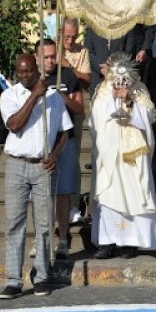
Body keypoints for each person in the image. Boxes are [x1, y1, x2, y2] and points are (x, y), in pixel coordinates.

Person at [0, 54, 72, 299]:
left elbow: (64, 132)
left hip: (43, 166)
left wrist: (55, 154)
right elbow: (15, 125)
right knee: (14, 224)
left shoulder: (54, 97)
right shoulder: (9, 96)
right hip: (17, 165)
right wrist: (34, 96)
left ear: (36, 70)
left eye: (28, 71)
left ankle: (41, 276)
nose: (24, 76)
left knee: (43, 225)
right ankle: (13, 280)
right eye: (20, 72)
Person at [89, 52, 156, 259]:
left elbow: (148, 116)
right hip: (109, 150)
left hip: (132, 155)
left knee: (134, 192)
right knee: (109, 194)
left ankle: (131, 242)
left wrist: (129, 101)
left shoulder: (139, 89)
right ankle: (108, 241)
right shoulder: (102, 90)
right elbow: (95, 118)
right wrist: (111, 100)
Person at [35, 39, 83, 258]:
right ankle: (41, 238)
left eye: (53, 56)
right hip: (40, 142)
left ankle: (63, 238)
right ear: (37, 57)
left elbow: (80, 108)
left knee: (63, 192)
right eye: (46, 57)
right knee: (40, 193)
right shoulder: (32, 78)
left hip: (65, 140)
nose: (50, 60)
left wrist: (61, 96)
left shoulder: (68, 76)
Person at [61, 17, 91, 215]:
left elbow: (87, 79)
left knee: (73, 157)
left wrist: (69, 68)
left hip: (75, 107)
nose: (70, 41)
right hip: (56, 108)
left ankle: (73, 203)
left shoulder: (83, 52)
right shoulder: (52, 50)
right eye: (66, 38)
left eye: (74, 37)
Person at [84, 26, 130, 98]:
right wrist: (101, 67)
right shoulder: (92, 28)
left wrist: (113, 67)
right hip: (98, 78)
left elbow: (128, 51)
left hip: (118, 79)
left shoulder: (125, 27)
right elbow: (87, 51)